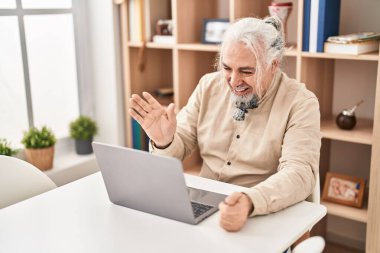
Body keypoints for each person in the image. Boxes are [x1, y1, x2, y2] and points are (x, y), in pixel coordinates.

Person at [128, 16, 321, 232]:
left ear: (273, 65)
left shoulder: (301, 102)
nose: (233, 81)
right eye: (227, 68)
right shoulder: (208, 85)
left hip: (259, 213)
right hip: (204, 207)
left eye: (247, 71)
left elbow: (300, 174)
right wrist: (164, 141)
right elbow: (180, 144)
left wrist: (249, 201)